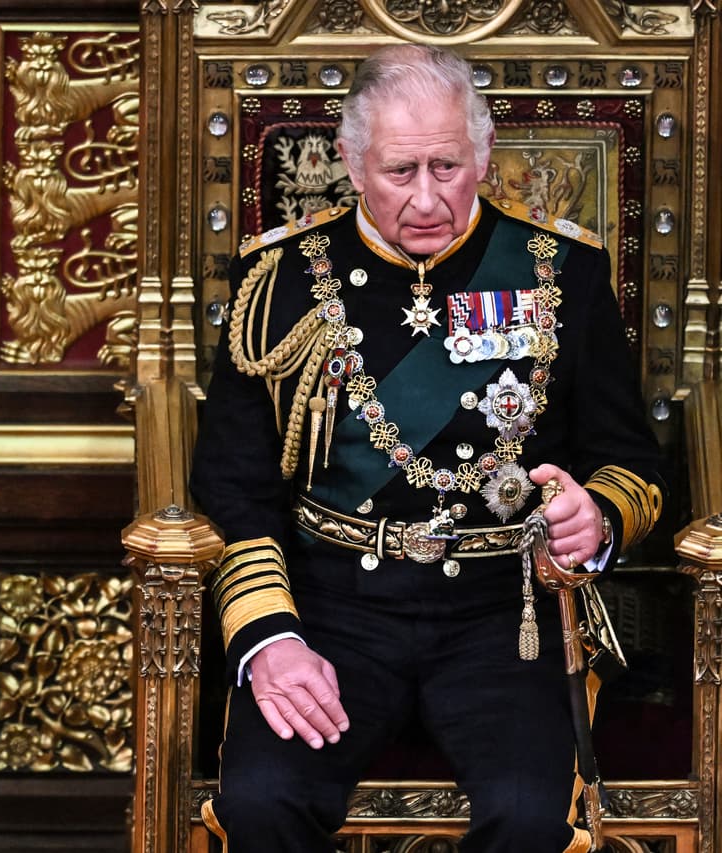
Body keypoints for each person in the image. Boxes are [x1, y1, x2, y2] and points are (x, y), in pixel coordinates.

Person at [190, 43, 665, 853]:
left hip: (502, 616)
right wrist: (272, 639)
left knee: (527, 816)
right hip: (330, 609)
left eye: (446, 167)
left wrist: (598, 515)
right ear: (350, 160)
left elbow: (632, 464)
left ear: (483, 155)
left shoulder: (565, 275)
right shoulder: (280, 283)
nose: (424, 200)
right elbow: (233, 485)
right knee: (264, 801)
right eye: (397, 172)